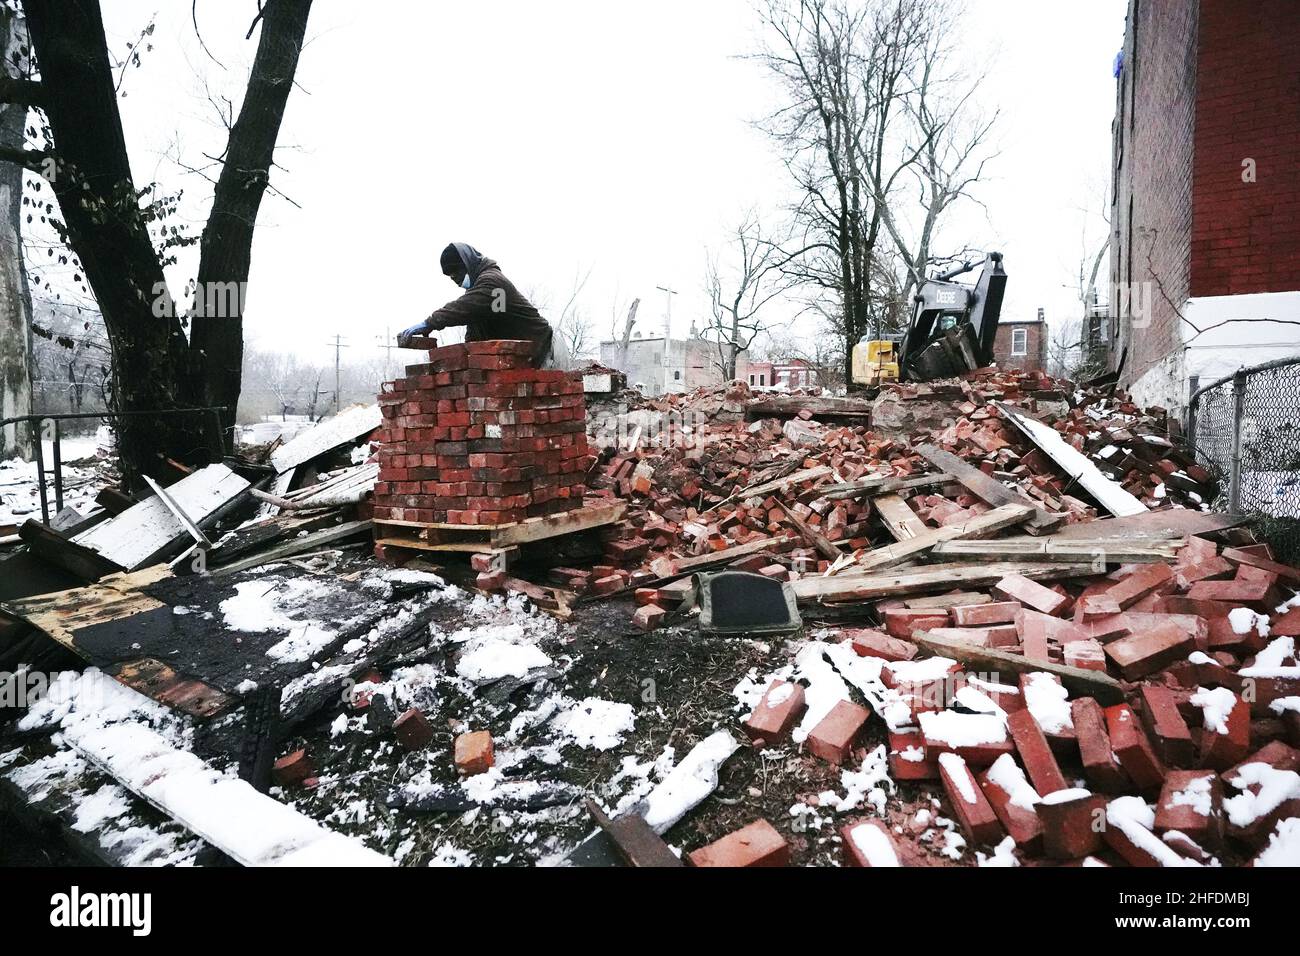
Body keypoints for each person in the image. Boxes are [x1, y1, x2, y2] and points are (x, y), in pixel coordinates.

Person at [398, 242, 567, 369]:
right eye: (451, 278)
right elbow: (474, 335)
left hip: (545, 350)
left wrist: (430, 323)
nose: (456, 281)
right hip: (526, 357)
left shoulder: (493, 282)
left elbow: (463, 308)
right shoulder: (479, 296)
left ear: (467, 264)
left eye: (456, 274)